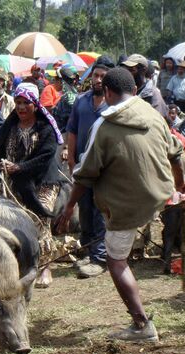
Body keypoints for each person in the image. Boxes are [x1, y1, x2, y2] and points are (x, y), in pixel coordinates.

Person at [57, 67, 185, 342]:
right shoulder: (154, 114)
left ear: (107, 92)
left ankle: (142, 326)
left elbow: (85, 173)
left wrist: (70, 206)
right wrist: (179, 186)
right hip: (160, 195)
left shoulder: (103, 125)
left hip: (127, 206)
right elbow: (176, 155)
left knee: (115, 260)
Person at [0, 82, 64, 288]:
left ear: (35, 104)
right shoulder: (10, 127)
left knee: (39, 220)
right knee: (14, 220)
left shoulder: (44, 128)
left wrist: (20, 167)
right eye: (18, 103)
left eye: (26, 103)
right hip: (16, 181)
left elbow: (46, 155)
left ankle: (45, 266)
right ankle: (19, 264)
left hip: (43, 182)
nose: (21, 108)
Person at [66, 57, 114, 279]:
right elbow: (72, 131)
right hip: (82, 167)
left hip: (104, 168)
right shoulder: (81, 101)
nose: (97, 80)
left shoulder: (113, 105)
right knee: (84, 209)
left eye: (103, 77)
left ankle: (100, 258)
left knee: (98, 211)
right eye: (95, 75)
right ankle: (88, 249)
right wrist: (71, 160)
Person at [53, 65, 80, 131]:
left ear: (61, 81)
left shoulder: (68, 98)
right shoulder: (77, 96)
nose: (54, 81)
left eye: (56, 79)